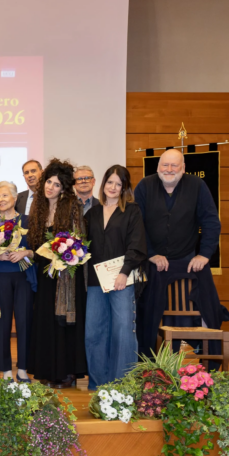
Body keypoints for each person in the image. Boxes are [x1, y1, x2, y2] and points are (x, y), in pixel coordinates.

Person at [84, 165, 146, 388]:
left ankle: (122, 383)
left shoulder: (132, 211)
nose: (113, 187)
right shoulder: (91, 214)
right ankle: (98, 383)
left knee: (122, 331)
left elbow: (136, 245)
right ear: (103, 185)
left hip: (122, 280)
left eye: (118, 184)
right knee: (94, 332)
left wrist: (124, 272)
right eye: (110, 182)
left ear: (124, 188)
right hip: (95, 281)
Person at [27, 158, 87, 388]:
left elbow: (79, 241)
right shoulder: (38, 207)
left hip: (67, 275)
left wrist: (63, 257)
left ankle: (67, 372)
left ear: (64, 188)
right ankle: (47, 370)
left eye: (57, 184)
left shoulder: (72, 206)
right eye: (49, 182)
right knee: (46, 321)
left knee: (64, 324)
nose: (50, 187)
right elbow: (35, 243)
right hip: (45, 274)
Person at [133, 149, 221, 273]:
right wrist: (151, 253)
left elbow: (211, 222)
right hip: (151, 261)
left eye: (174, 165)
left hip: (186, 260)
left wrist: (204, 254)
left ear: (183, 168)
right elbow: (136, 224)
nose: (169, 169)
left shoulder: (197, 185)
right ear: (158, 167)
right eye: (165, 165)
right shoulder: (144, 186)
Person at [0, 181, 37, 382]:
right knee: (2, 323)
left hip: (24, 276)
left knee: (24, 322)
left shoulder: (29, 221)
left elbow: (39, 249)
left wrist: (26, 252)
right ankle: (6, 369)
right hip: (0, 275)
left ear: (15, 198)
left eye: (4, 195)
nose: (0, 200)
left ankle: (23, 368)